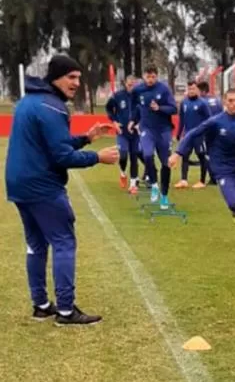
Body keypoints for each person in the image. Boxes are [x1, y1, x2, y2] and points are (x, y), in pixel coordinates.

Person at [5, 54, 120, 325]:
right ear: (56, 77)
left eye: (79, 77)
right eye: (71, 77)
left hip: (18, 184)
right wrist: (97, 156)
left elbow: (53, 145)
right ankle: (66, 311)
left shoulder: (28, 102)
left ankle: (42, 305)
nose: (77, 83)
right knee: (64, 243)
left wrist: (86, 138)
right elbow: (61, 157)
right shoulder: (54, 107)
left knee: (35, 245)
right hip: (43, 186)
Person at [169, 89, 235, 247]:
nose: (234, 104)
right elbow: (192, 134)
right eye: (230, 101)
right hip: (223, 170)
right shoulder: (215, 122)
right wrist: (178, 153)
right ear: (224, 102)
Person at [129, 65, 177, 209]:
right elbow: (136, 107)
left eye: (153, 77)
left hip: (163, 130)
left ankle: (164, 195)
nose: (150, 79)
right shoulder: (138, 90)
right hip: (147, 129)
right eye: (148, 76)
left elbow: (174, 109)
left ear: (157, 76)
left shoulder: (164, 89)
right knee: (147, 155)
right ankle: (154, 185)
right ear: (143, 76)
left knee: (165, 163)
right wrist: (133, 120)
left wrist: (160, 108)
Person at [174, 80, 213, 189]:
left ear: (197, 90)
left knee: (201, 156)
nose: (191, 91)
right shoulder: (184, 103)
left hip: (199, 135)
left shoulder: (202, 103)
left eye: (193, 89)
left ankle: (202, 181)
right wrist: (179, 133)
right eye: (189, 89)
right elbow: (181, 120)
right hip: (187, 135)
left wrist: (207, 133)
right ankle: (183, 180)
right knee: (185, 156)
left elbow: (209, 119)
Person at [106, 74, 140, 192]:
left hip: (135, 132)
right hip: (122, 131)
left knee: (134, 156)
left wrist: (139, 123)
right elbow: (108, 108)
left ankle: (133, 184)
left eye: (134, 85)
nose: (131, 87)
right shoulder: (118, 96)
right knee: (123, 155)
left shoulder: (139, 96)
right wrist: (114, 121)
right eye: (129, 84)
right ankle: (122, 173)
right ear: (125, 83)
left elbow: (144, 112)